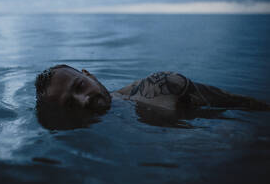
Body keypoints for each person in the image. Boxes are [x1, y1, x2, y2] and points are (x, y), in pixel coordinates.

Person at [35, 64, 269, 129]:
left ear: (90, 75)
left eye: (80, 86)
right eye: (69, 103)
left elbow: (250, 106)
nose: (83, 100)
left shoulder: (163, 86)